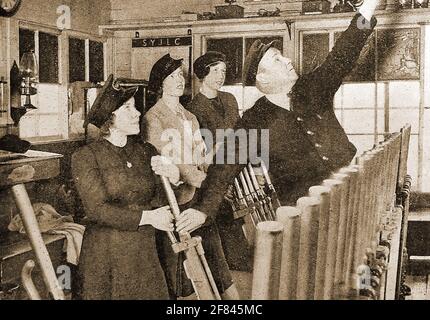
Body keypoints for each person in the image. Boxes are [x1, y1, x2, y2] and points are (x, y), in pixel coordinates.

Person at [186, 0, 379, 236]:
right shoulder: (254, 120)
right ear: (263, 79)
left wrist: (368, 7)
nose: (288, 61)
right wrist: (203, 210)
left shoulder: (312, 89)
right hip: (306, 217)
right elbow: (225, 166)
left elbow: (343, 54)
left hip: (353, 194)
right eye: (277, 59)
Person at [71, 74, 180, 300]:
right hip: (107, 254)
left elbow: (159, 202)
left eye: (135, 107)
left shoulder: (146, 151)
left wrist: (172, 176)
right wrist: (148, 218)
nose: (138, 113)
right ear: (110, 118)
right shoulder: (86, 156)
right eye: (128, 108)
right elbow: (97, 210)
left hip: (146, 252)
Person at [142, 53, 240, 299]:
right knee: (182, 269)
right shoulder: (153, 118)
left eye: (180, 76)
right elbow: (170, 162)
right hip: (174, 201)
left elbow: (200, 156)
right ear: (160, 83)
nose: (179, 80)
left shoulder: (190, 117)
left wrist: (215, 179)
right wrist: (205, 182)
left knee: (216, 257)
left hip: (198, 197)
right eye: (172, 76)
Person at [187, 51, 251, 271]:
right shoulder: (193, 109)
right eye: (214, 71)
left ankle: (239, 260)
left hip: (238, 167)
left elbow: (242, 131)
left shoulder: (230, 99)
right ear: (202, 74)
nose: (220, 75)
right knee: (222, 217)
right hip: (213, 172)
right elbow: (199, 152)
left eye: (222, 71)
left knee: (239, 216)